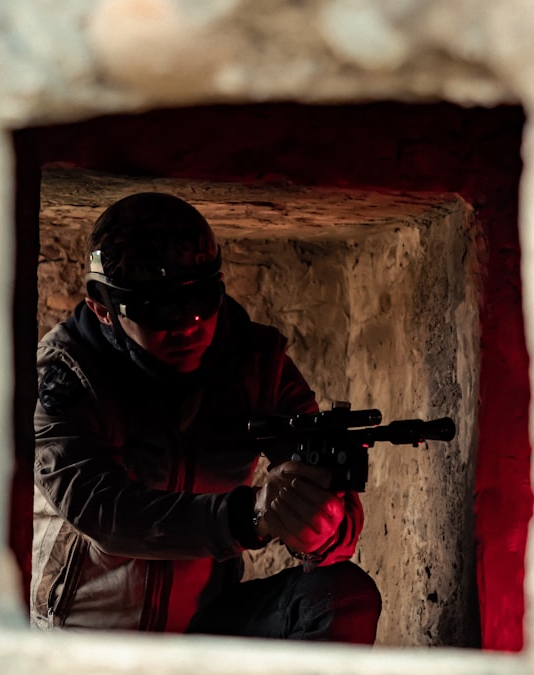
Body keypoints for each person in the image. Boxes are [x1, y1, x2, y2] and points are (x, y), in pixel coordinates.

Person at [30, 191, 381, 642]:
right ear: (102, 308)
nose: (185, 325)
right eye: (155, 309)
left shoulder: (257, 364)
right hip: (83, 632)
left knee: (340, 597)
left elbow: (332, 502)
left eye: (200, 299)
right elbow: (102, 511)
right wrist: (249, 516)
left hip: (205, 623)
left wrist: (321, 527)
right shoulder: (65, 375)